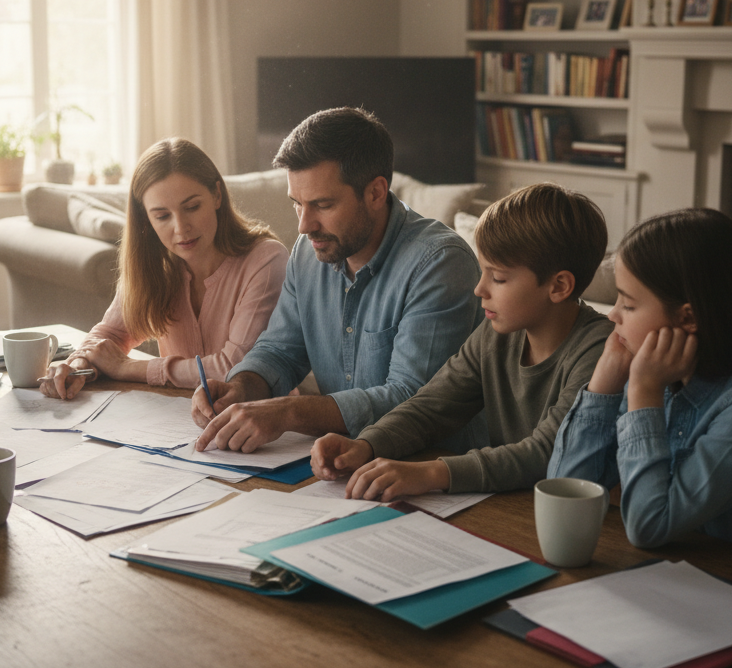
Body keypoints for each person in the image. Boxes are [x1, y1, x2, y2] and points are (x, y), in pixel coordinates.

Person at [547, 208, 732, 572]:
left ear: (687, 318)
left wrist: (643, 394)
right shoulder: (657, 378)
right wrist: (603, 388)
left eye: (629, 303)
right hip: (687, 580)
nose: (613, 315)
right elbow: (565, 491)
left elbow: (648, 526)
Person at [190, 107, 485, 453]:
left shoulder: (440, 264)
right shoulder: (308, 251)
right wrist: (243, 387)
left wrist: (287, 412)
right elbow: (279, 352)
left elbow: (411, 401)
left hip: (433, 474)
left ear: (376, 193)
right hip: (335, 463)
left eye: (322, 205)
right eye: (297, 204)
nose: (304, 225)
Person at [310, 183, 613, 499]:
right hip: (509, 504)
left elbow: (544, 453)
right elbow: (433, 406)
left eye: (498, 277)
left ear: (559, 286)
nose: (479, 289)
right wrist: (366, 444)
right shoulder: (496, 334)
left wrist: (431, 473)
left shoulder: (598, 350)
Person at [41, 138, 287, 397]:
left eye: (192, 207)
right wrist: (78, 365)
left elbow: (236, 369)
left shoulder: (266, 260)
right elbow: (110, 334)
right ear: (146, 218)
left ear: (216, 195)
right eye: (162, 216)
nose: (181, 228)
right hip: (174, 422)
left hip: (264, 426)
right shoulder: (156, 263)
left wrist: (129, 368)